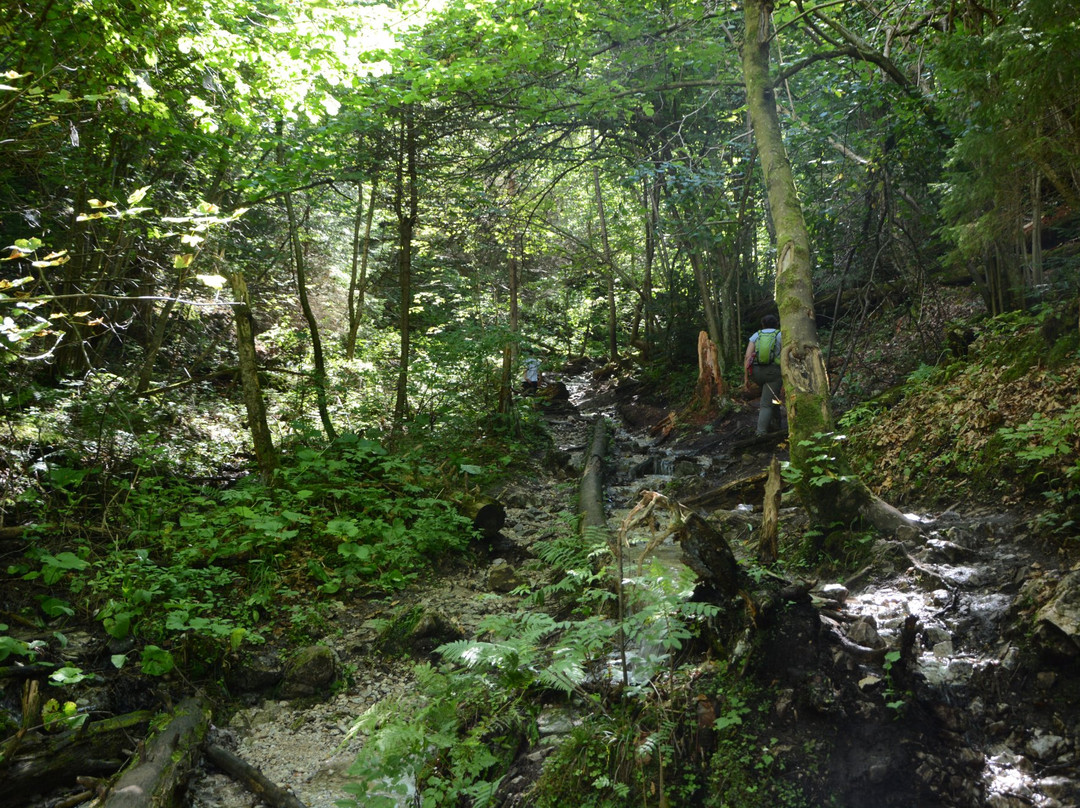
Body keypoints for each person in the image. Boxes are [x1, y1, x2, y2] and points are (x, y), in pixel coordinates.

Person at [743, 315, 783, 435]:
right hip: (773, 373)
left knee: (772, 397)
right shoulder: (780, 335)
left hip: (756, 372)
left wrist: (746, 378)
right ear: (776, 324)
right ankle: (760, 433)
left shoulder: (756, 335)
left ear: (763, 324)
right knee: (766, 404)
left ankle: (776, 425)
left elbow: (747, 356)